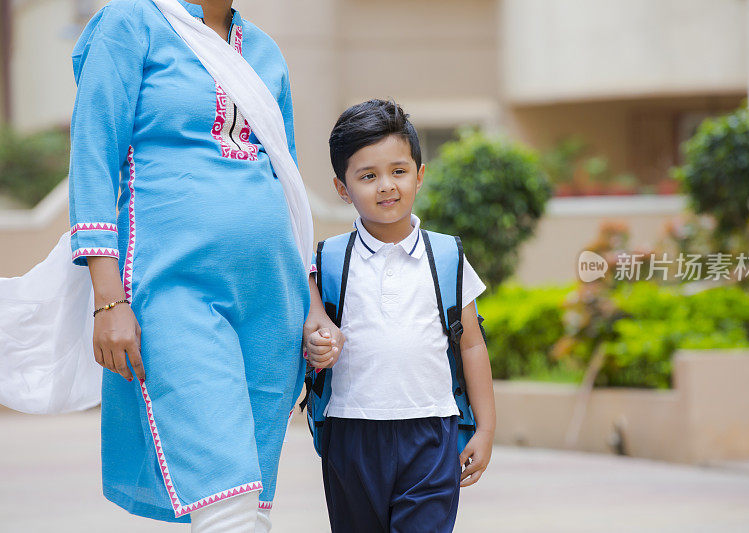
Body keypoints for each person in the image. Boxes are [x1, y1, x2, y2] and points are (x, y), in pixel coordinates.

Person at [67, 0, 342, 531]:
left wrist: (310, 305)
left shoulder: (263, 50)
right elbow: (93, 152)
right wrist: (108, 298)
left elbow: (287, 180)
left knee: (252, 497)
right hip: (171, 288)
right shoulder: (132, 22)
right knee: (225, 495)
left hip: (271, 297)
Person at [311, 99, 496, 532]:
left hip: (432, 433)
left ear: (419, 175)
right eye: (368, 176)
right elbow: (312, 334)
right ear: (342, 188)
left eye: (398, 171)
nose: (386, 186)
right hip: (351, 432)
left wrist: (485, 429)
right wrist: (317, 346)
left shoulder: (446, 256)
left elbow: (471, 343)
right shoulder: (329, 260)